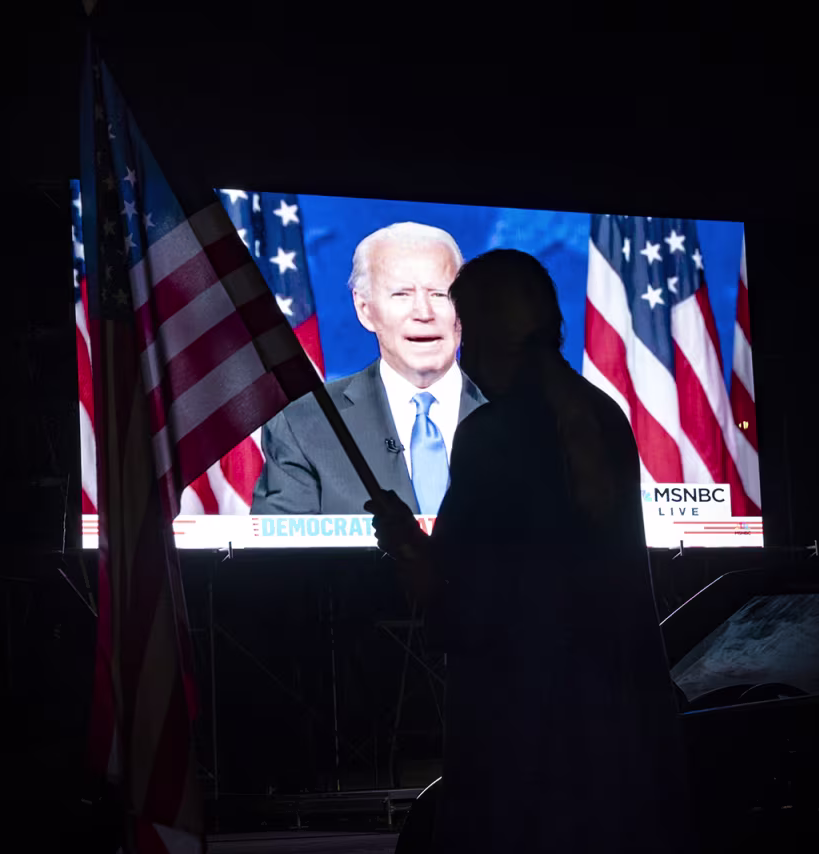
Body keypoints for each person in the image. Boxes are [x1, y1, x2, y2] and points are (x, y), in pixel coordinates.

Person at [368, 250, 696, 853]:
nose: (461, 351)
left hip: (522, 747)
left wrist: (410, 550)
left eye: (465, 326)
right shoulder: (607, 419)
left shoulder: (492, 436)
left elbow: (466, 605)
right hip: (618, 745)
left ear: (491, 332)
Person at [251, 222, 486, 516]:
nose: (424, 313)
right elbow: (279, 558)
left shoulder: (526, 419)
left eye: (440, 294)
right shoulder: (304, 423)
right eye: (401, 294)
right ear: (365, 310)